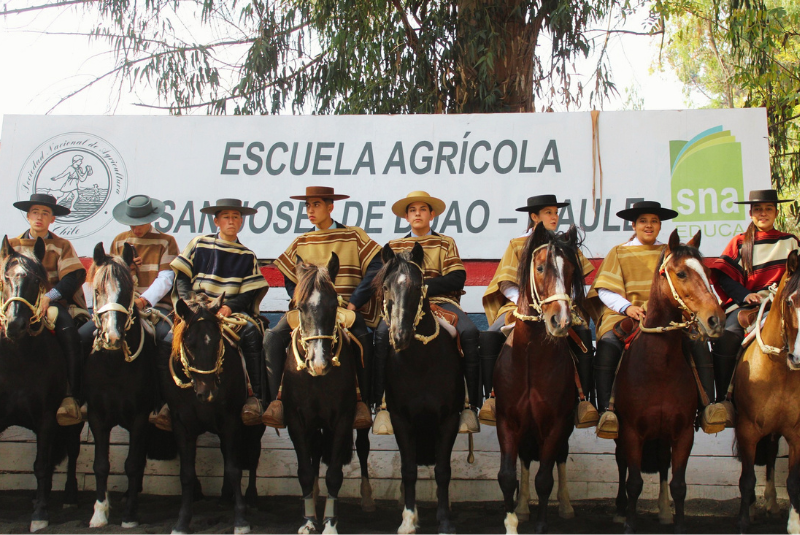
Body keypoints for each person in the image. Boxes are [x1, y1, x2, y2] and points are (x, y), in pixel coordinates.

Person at [587, 200, 728, 439]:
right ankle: (606, 411)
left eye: (654, 221)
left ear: (660, 226)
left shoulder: (673, 255)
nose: (649, 226)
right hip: (627, 314)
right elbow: (604, 289)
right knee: (608, 344)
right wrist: (627, 307)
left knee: (698, 342)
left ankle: (708, 406)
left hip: (670, 316)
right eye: (643, 221)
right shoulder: (619, 252)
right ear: (634, 225)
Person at [262, 186, 381, 429]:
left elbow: (376, 266)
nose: (310, 210)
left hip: (344, 308)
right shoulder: (301, 241)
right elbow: (289, 278)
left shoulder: (353, 235)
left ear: (330, 206)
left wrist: (355, 301)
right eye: (308, 205)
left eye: (316, 204)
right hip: (309, 310)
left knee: (364, 340)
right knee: (272, 339)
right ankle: (276, 402)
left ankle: (363, 403)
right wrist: (302, 301)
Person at [480, 194, 598, 427]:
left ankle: (584, 401)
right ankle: (491, 398)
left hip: (558, 304)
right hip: (519, 306)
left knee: (584, 334)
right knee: (490, 336)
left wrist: (565, 301)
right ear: (534, 217)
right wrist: (524, 302)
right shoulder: (517, 244)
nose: (554, 217)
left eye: (556, 213)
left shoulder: (565, 244)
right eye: (548, 213)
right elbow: (505, 283)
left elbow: (575, 281)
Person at [372, 191, 481, 435]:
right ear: (406, 217)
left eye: (422, 209)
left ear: (432, 215)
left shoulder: (445, 242)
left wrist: (420, 288)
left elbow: (457, 277)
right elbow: (384, 282)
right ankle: (380, 406)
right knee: (380, 335)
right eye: (412, 210)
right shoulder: (393, 247)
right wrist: (407, 293)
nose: (417, 214)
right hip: (402, 305)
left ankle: (470, 406)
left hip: (441, 302)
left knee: (470, 332)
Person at [78, 195, 180, 429]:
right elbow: (109, 276)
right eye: (132, 223)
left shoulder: (166, 241)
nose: (136, 228)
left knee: (163, 340)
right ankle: (78, 396)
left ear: (151, 219)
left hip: (155, 306)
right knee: (82, 336)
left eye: (140, 223)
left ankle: (163, 400)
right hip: (119, 306)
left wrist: (143, 300)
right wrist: (128, 268)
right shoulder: (120, 241)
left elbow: (166, 278)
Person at [166, 198, 269, 425]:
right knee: (166, 339)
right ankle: (164, 401)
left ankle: (255, 397)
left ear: (241, 222)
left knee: (252, 333)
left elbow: (249, 292)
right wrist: (189, 304)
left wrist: (229, 307)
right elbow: (182, 277)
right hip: (195, 309)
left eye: (235, 217)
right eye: (226, 217)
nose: (231, 221)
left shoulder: (247, 255)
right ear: (216, 222)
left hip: (227, 312)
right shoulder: (198, 243)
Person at [710, 189, 800, 421]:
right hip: (751, 303)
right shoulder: (740, 242)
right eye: (758, 209)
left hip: (784, 302)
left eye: (768, 209)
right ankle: (723, 399)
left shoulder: (790, 241)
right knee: (728, 335)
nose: (763, 213)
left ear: (776, 213)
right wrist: (745, 295)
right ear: (751, 214)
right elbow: (724, 276)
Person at [10, 193, 87, 426]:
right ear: (27, 216)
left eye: (45, 213)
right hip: (15, 303)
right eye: (35, 212)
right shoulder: (12, 245)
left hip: (51, 304)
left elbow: (72, 277)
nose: (39, 217)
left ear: (52, 219)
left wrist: (48, 297)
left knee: (69, 332)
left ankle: (70, 396)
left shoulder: (62, 245)